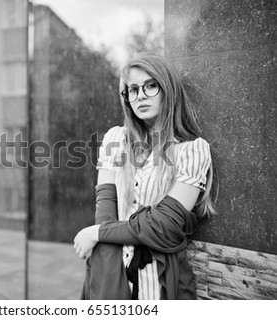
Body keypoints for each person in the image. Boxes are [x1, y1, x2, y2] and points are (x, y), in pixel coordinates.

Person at [74, 54, 216, 300]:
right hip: (109, 268)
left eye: (150, 86)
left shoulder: (191, 151)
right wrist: (108, 285)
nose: (140, 95)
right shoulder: (115, 139)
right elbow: (106, 210)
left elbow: (165, 226)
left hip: (157, 280)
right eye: (132, 89)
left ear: (168, 89)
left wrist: (96, 233)